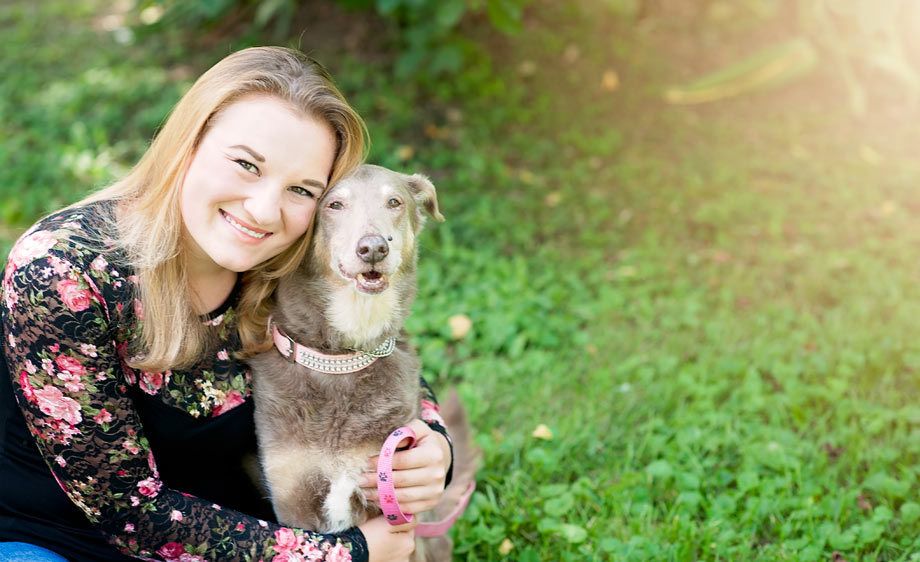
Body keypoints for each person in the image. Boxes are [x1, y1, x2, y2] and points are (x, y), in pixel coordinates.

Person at [0, 46, 453, 562]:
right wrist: (348, 553)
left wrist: (433, 442)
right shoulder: (61, 271)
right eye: (246, 164)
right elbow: (126, 511)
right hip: (54, 539)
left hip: (228, 536)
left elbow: (368, 349)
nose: (264, 210)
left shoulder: (279, 257)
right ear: (188, 144)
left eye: (302, 189)